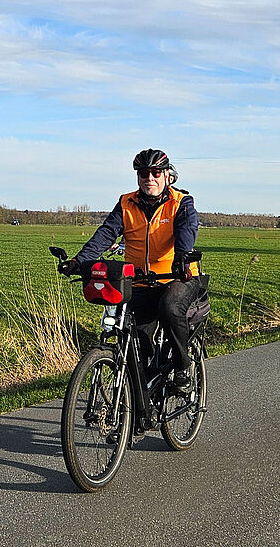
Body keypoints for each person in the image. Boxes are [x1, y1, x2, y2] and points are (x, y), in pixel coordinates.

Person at [64, 149, 205, 390]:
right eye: (143, 174)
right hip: (140, 281)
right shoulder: (126, 203)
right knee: (135, 337)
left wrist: (181, 258)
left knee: (170, 308)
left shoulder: (181, 203)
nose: (149, 178)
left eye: (155, 172)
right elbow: (107, 233)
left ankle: (183, 366)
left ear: (167, 175)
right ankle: (143, 395)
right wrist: (81, 261)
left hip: (177, 277)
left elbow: (186, 231)